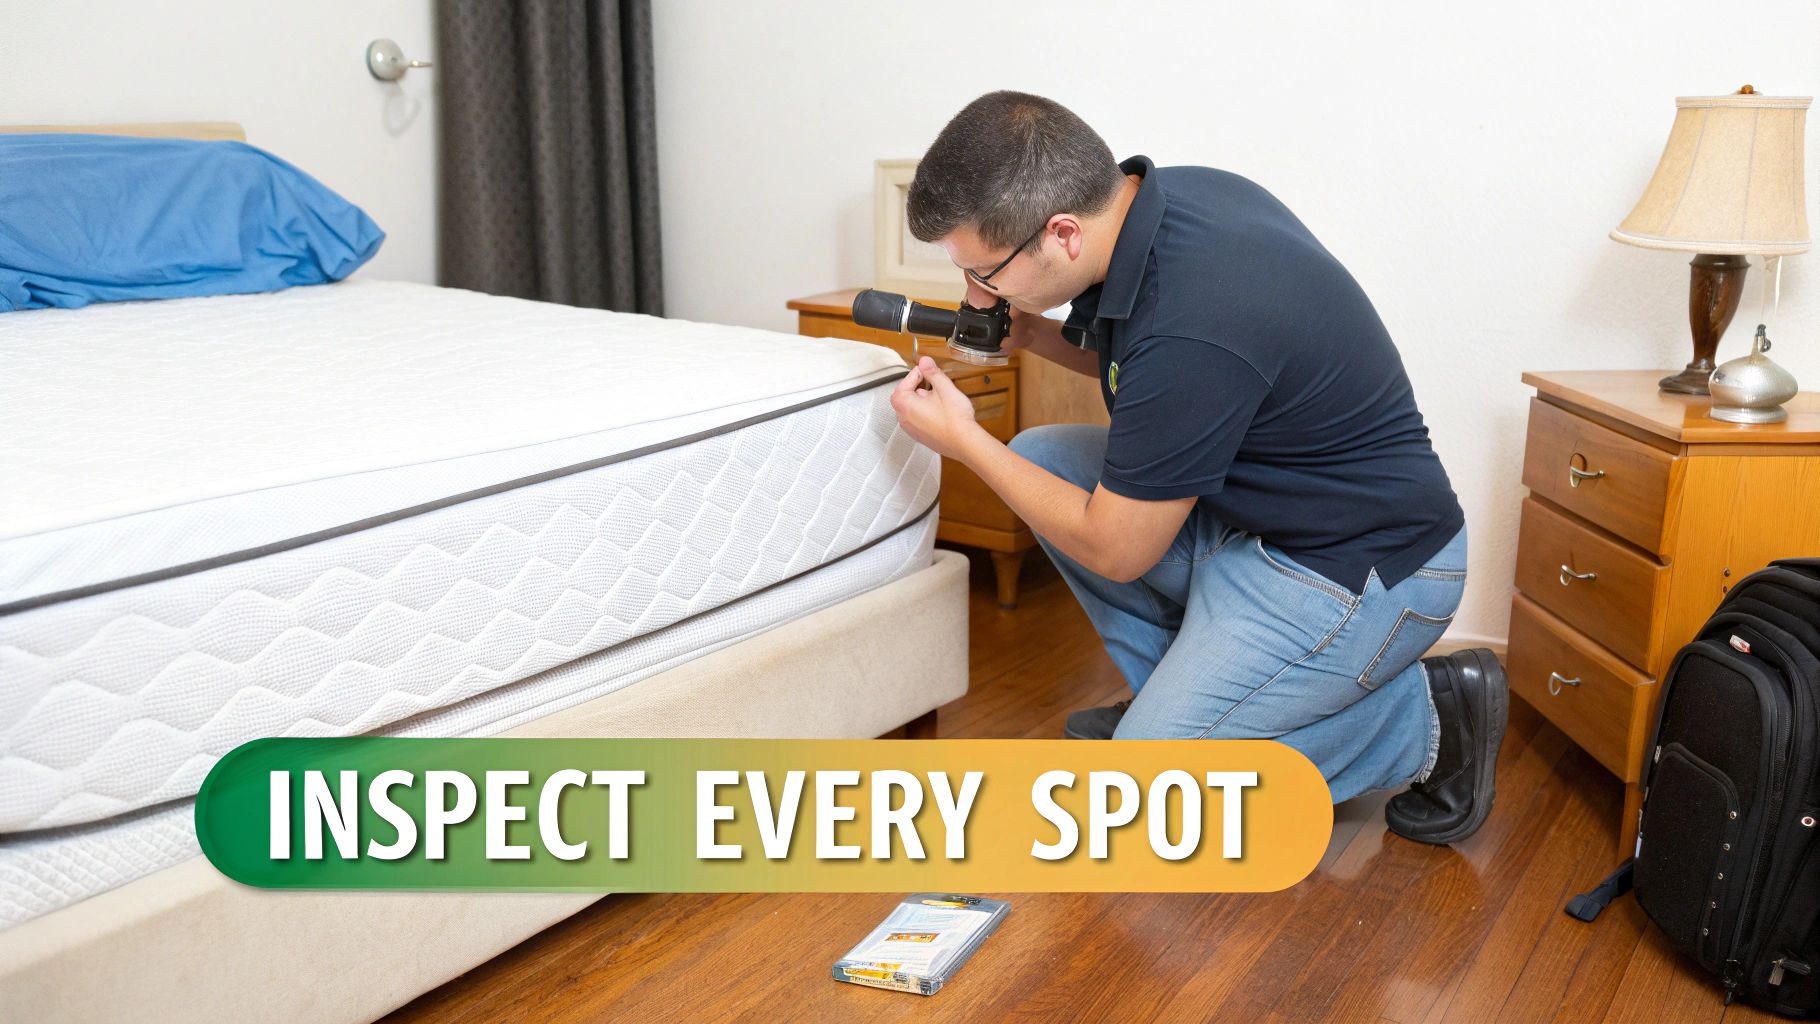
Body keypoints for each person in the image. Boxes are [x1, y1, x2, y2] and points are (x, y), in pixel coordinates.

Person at [886, 90, 1508, 844]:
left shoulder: (1198, 318)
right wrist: (1042, 338)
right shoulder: (1176, 198)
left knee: (1144, 800)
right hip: (1259, 524)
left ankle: (1425, 719)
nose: (974, 294)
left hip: (1363, 574)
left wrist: (966, 442)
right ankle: (1188, 706)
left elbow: (1120, 547)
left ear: (1062, 233)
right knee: (1045, 457)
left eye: (985, 273)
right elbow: (1153, 375)